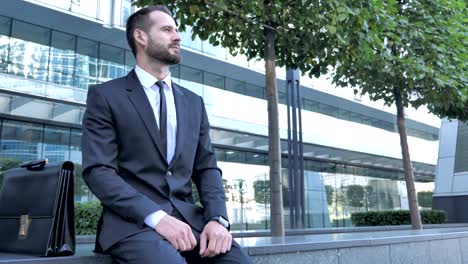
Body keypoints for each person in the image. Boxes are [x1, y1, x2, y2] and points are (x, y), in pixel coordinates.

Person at [81, 5, 252, 264]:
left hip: (192, 226)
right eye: (166, 29)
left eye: (176, 30)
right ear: (141, 36)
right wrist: (157, 217)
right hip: (133, 226)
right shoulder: (106, 96)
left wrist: (218, 219)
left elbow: (207, 169)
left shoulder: (194, 103)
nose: (177, 36)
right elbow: (99, 171)